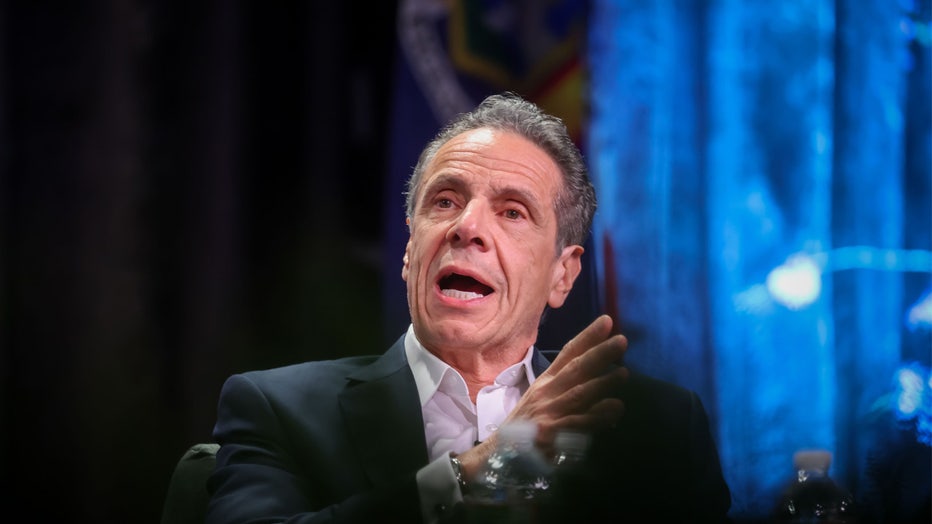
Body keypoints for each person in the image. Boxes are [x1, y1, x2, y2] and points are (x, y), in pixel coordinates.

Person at [205, 92, 732, 523]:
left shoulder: (657, 427)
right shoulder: (278, 409)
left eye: (512, 211)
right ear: (410, 251)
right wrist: (474, 471)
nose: (468, 227)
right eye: (445, 201)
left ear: (562, 274)